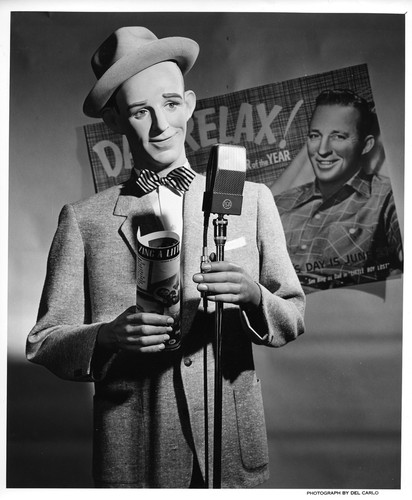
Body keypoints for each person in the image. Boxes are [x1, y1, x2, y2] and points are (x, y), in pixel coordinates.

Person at [26, 26, 305, 488]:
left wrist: (255, 296)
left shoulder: (251, 200)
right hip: (134, 456)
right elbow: (44, 340)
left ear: (190, 104)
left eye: (172, 104)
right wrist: (108, 336)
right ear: (115, 121)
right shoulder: (83, 220)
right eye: (140, 111)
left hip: (230, 451)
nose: (161, 125)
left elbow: (292, 313)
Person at [274, 89, 403, 292]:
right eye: (315, 136)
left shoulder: (387, 197)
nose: (323, 150)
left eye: (339, 137)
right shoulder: (278, 204)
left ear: (367, 145)